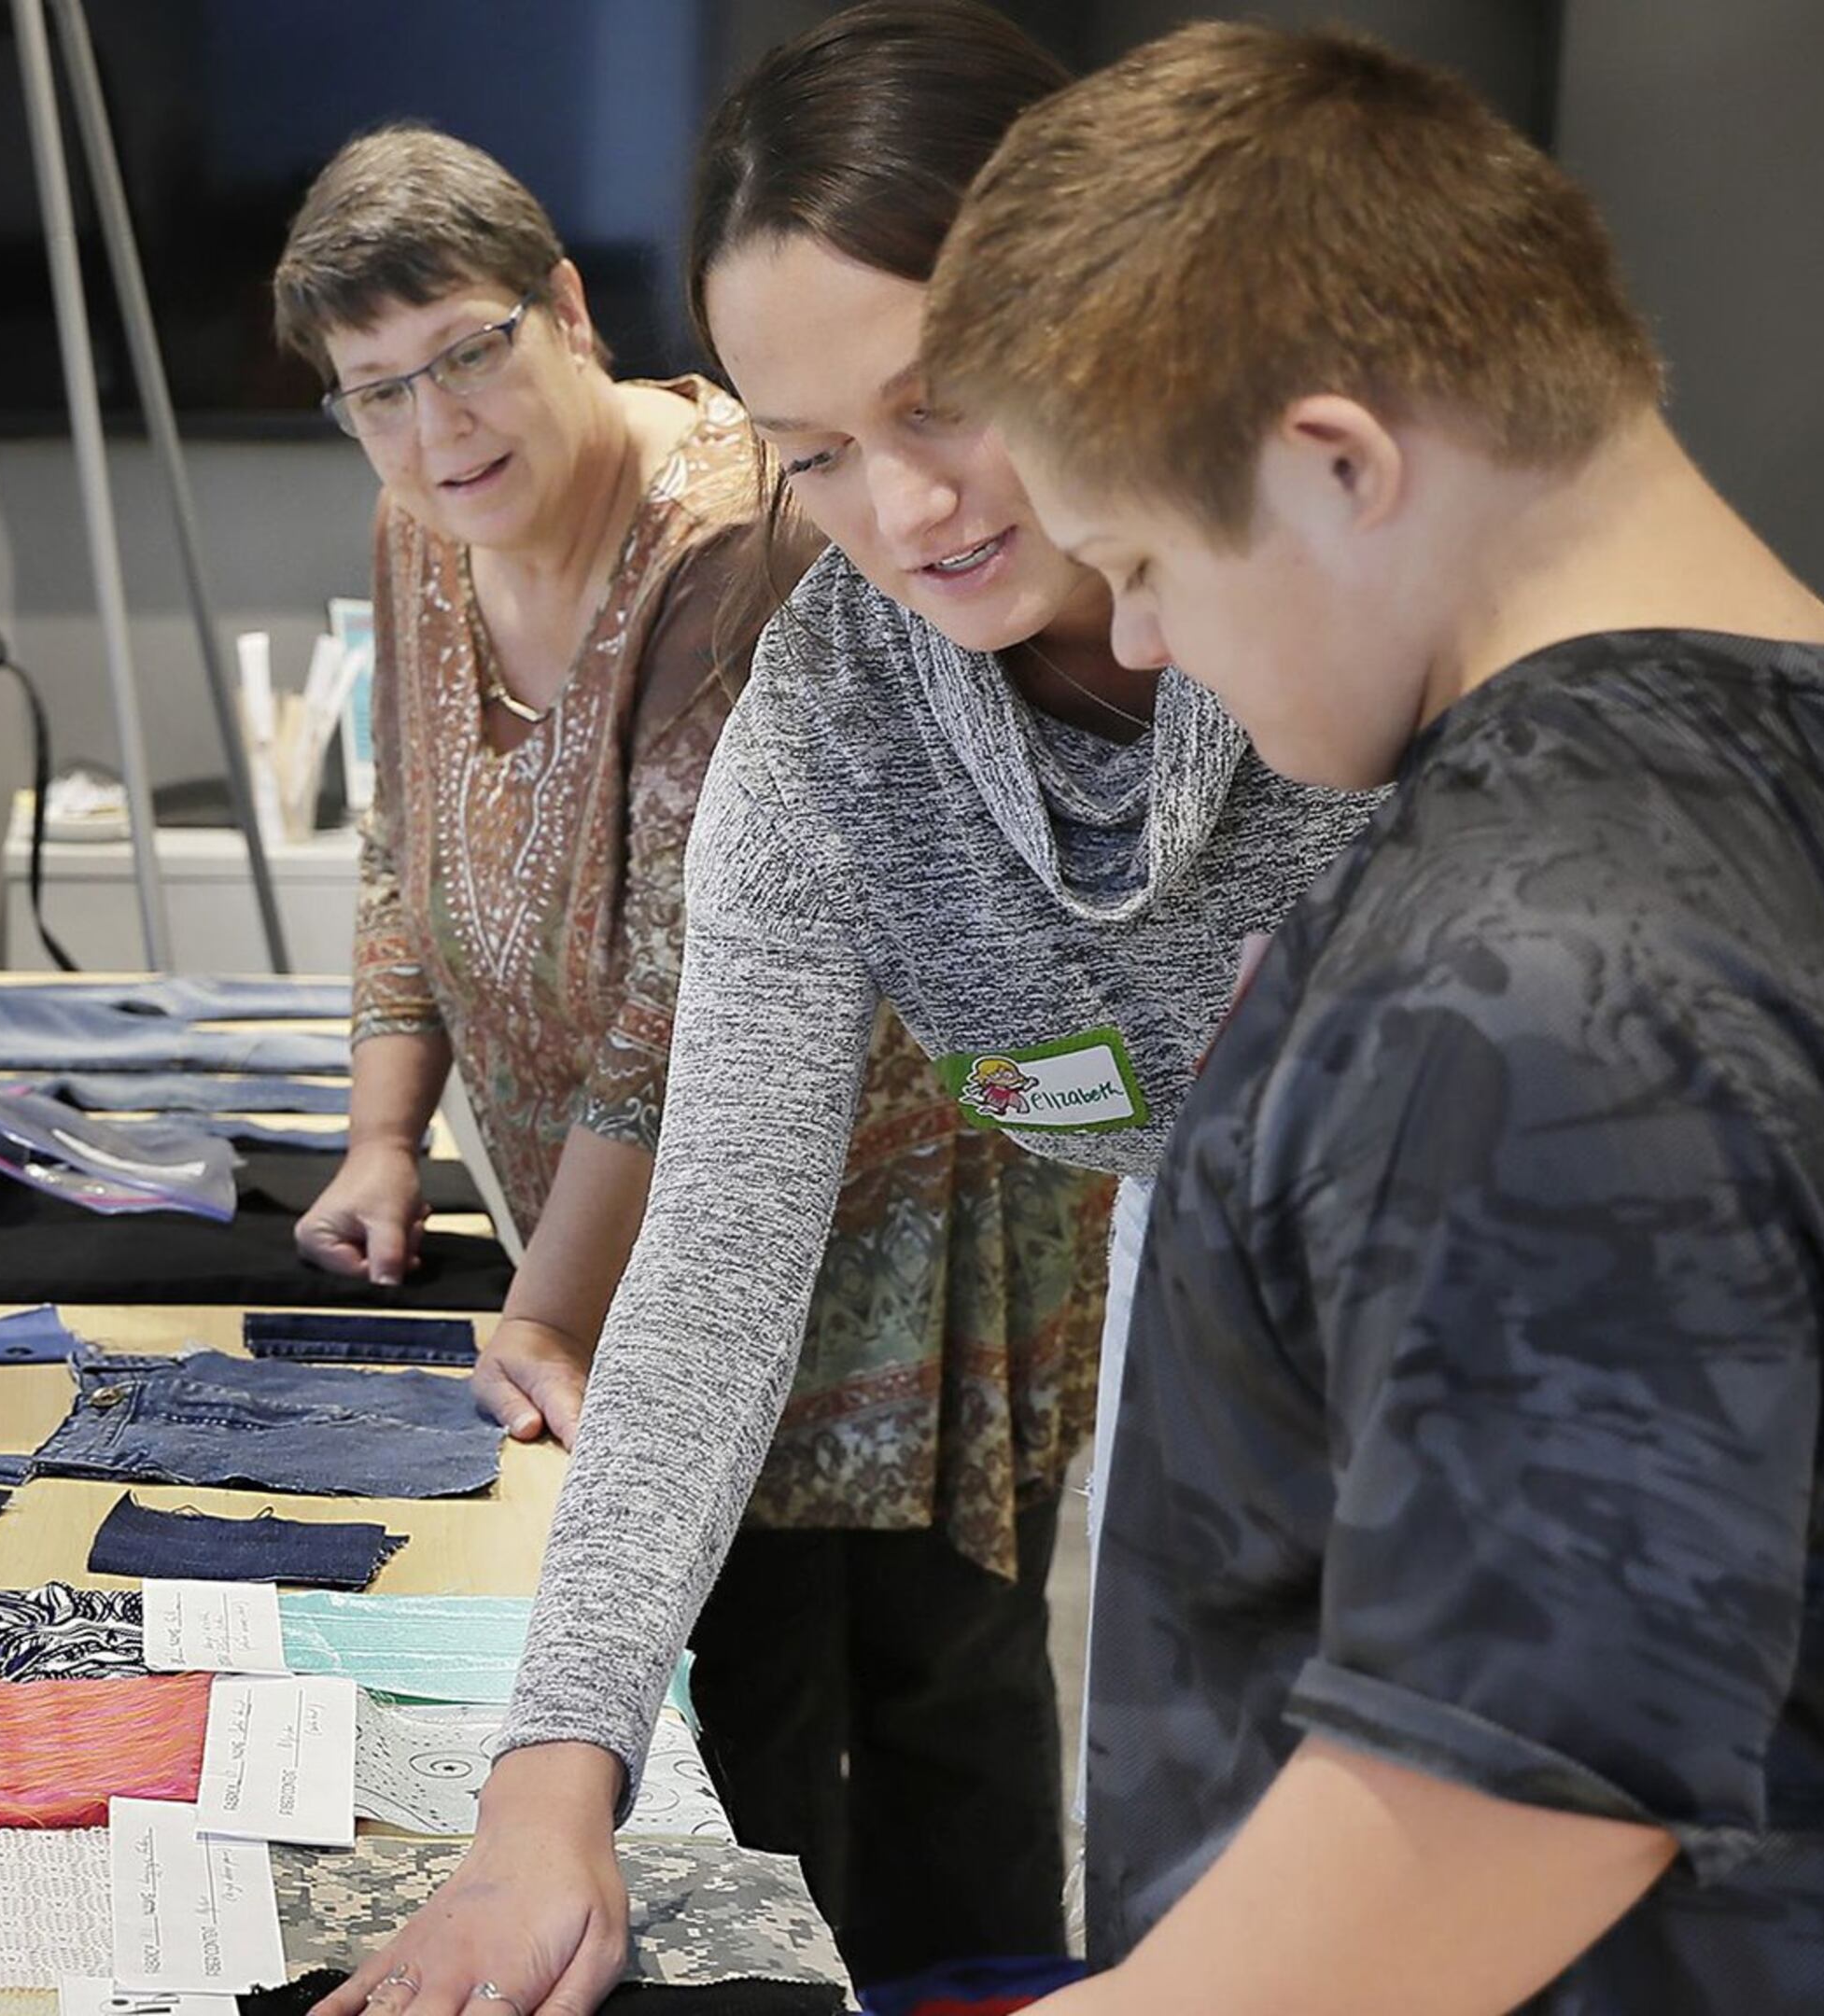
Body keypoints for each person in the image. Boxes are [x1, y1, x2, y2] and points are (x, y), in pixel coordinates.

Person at [919, 24, 1824, 2014]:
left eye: (1142, 558)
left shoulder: (1533, 962)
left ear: (1335, 461)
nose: (1140, 638)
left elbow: (1519, 1792)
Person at [315, 10, 1382, 2016]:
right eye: (810, 452)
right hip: (1240, 1335)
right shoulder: (830, 713)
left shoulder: (1351, 623)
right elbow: (713, 1261)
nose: (902, 514)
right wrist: (556, 1782)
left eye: (947, 401)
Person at [274, 119, 1114, 1981]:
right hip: (625, 1209)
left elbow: (677, 1010)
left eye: (470, 352)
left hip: (890, 1222)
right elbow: (402, 845)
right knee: (723, 1689)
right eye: (379, 394)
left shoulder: (747, 545)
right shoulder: (423, 522)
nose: (438, 427)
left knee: (921, 1685)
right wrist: (383, 1135)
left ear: (566, 307)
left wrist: (556, 1316)